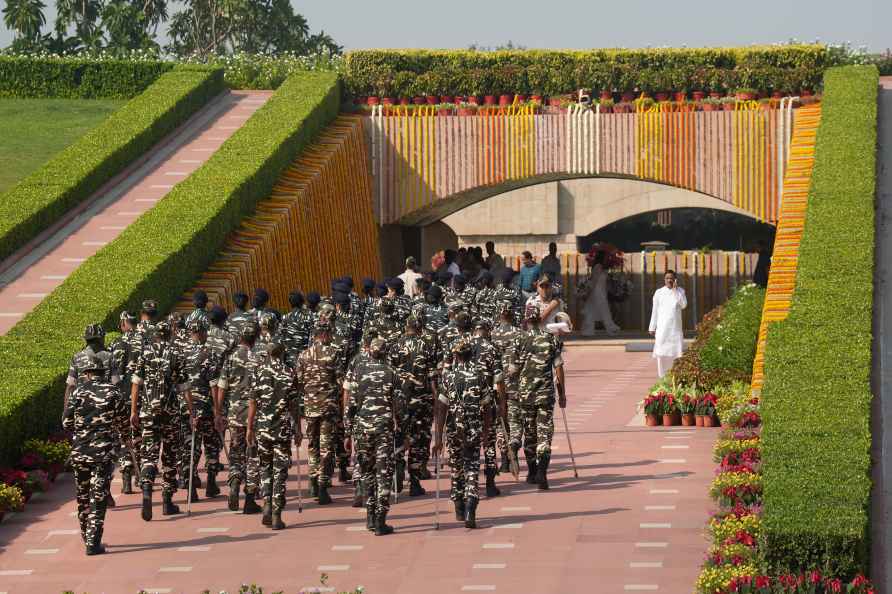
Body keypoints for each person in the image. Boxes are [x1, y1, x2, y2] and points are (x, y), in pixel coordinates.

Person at [345, 338, 406, 535]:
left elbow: (351, 405)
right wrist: (403, 431)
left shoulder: (359, 372)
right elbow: (400, 407)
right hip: (383, 430)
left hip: (363, 430)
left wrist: (348, 432)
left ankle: (370, 516)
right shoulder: (392, 373)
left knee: (367, 472)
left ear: (370, 352)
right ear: (386, 353)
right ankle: (380, 519)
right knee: (383, 474)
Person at [432, 339, 493, 528]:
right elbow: (487, 407)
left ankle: (458, 506)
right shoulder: (479, 376)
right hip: (473, 430)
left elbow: (441, 408)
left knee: (456, 467)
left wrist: (438, 436)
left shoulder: (448, 378)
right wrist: (485, 432)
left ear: (456, 357)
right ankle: (470, 510)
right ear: (471, 355)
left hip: (454, 431)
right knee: (472, 468)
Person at [62, 356, 119, 555]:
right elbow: (122, 422)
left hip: (80, 452)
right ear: (103, 373)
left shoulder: (78, 391)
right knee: (99, 495)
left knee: (83, 495)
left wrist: (81, 430)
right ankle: (93, 541)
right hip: (102, 453)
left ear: (86, 373)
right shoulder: (113, 392)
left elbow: (66, 423)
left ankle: (86, 535)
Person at [130, 320, 186, 521]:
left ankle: (146, 488)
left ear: (155, 334)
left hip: (147, 412)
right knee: (170, 455)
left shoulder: (144, 353)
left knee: (149, 454)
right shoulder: (176, 353)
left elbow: (136, 384)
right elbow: (183, 386)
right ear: (170, 333)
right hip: (169, 413)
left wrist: (133, 411)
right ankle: (167, 501)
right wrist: (192, 411)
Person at [510, 304, 566, 490]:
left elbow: (513, 371)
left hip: (525, 396)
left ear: (526, 320)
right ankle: (542, 472)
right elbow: (558, 367)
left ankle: (533, 472)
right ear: (540, 319)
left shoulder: (519, 340)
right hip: (545, 395)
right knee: (545, 432)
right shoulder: (551, 339)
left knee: (530, 433)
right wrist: (562, 393)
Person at [246, 341, 300, 531]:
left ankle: (267, 503)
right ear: (282, 353)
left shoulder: (258, 372)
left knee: (265, 468)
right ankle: (277, 513)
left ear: (267, 354)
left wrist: (249, 428)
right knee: (280, 471)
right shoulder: (289, 372)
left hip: (263, 427)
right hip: (282, 429)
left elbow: (252, 401)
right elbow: (294, 404)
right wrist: (298, 429)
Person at [388, 314, 438, 496]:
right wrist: (436, 399)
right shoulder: (426, 347)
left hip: (400, 399)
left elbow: (389, 375)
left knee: (399, 435)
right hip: (421, 400)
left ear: (405, 327)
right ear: (419, 329)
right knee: (418, 440)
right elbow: (433, 377)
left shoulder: (395, 346)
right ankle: (415, 481)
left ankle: (397, 470)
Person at [216, 323, 263, 513]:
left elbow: (221, 387)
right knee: (253, 456)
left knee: (235, 454)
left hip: (235, 414)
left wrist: (218, 412)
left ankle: (234, 482)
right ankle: (250, 498)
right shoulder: (260, 358)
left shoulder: (230, 358)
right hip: (255, 415)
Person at [295, 320, 343, 505]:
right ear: (324, 334)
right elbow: (340, 382)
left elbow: (298, 382)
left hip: (310, 407)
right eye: (330, 334)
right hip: (328, 408)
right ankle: (322, 485)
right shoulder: (333, 354)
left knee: (313, 445)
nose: (331, 337)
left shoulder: (303, 355)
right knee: (326, 447)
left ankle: (313, 480)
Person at [182, 321, 223, 501]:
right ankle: (212, 482)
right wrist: (218, 411)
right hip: (205, 407)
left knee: (191, 447)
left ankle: (190, 482)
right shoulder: (209, 355)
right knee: (211, 445)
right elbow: (214, 386)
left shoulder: (181, 355)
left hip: (187, 408)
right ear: (203, 333)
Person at [648, 270, 688, 378]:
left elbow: (684, 305)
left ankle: (675, 377)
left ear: (675, 279)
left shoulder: (680, 291)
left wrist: (675, 290)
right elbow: (655, 311)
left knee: (676, 354)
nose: (669, 280)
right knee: (661, 354)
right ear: (664, 280)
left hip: (675, 329)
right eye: (667, 278)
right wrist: (652, 327)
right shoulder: (659, 292)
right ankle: (662, 377)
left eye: (671, 278)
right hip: (662, 329)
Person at [581, 252, 620, 336]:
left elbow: (598, 281)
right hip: (598, 291)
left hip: (599, 292)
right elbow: (597, 281)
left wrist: (589, 292)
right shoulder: (600, 267)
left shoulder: (600, 267)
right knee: (596, 310)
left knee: (599, 310)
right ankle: (590, 330)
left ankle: (591, 330)